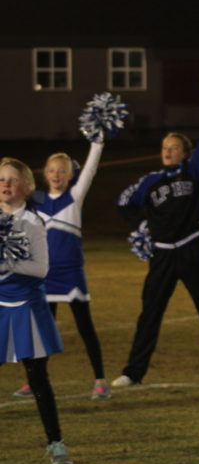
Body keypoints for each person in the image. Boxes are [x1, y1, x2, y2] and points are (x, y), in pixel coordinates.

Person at [114, 117, 199, 387]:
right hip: (162, 255)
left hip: (191, 251)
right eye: (165, 147)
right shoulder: (149, 181)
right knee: (150, 315)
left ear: (186, 153)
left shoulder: (194, 171)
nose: (167, 151)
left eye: (174, 147)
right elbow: (123, 203)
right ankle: (133, 372)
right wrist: (141, 225)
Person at [15, 142, 109, 401]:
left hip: (71, 275)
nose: (57, 175)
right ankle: (33, 381)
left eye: (62, 171)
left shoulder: (75, 197)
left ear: (70, 175)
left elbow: (91, 170)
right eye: (52, 171)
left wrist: (97, 141)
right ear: (44, 174)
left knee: (85, 327)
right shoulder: (37, 200)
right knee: (41, 331)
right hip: (45, 275)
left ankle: (100, 380)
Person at [0, 158, 69, 464]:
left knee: (37, 377)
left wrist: (7, 260)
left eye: (12, 180)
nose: (5, 185)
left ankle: (55, 443)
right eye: (1, 179)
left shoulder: (32, 221)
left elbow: (41, 269)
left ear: (26, 188)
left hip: (28, 304)